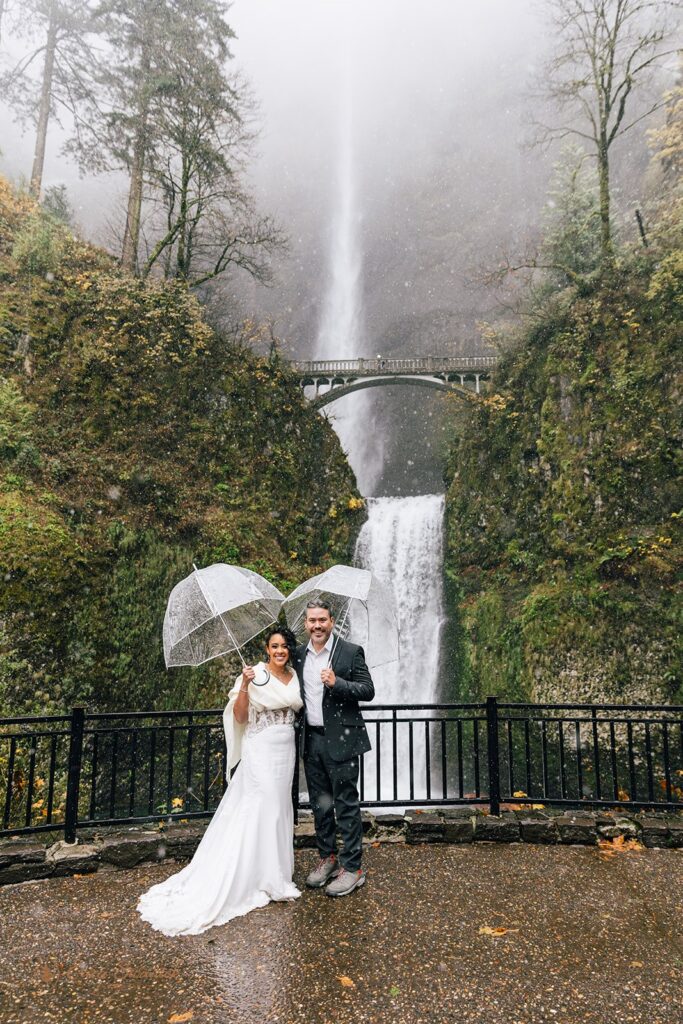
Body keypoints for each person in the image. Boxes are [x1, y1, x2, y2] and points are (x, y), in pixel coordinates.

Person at [137, 626, 303, 936]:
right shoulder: (252, 674)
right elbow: (240, 717)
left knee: (279, 808)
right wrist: (244, 687)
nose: (280, 651)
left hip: (286, 750)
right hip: (262, 749)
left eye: (285, 646)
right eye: (275, 646)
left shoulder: (294, 675)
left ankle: (276, 874)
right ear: (267, 649)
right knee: (261, 807)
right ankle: (255, 876)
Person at [293, 599, 375, 897]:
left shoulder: (350, 652)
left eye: (322, 620)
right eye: (312, 620)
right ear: (306, 624)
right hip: (312, 741)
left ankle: (353, 868)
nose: (317, 625)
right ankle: (327, 858)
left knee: (346, 804)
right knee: (321, 804)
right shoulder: (299, 655)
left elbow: (367, 690)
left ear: (331, 622)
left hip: (342, 740)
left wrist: (337, 682)